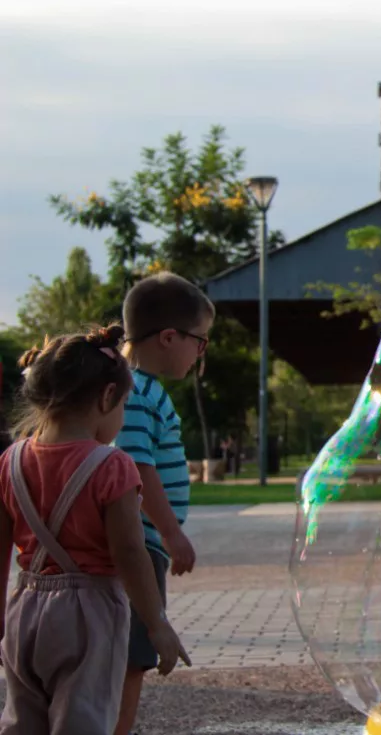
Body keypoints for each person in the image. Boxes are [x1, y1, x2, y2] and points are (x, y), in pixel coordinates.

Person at [0, 327, 189, 735]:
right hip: (88, 616)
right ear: (107, 398)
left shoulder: (10, 461)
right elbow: (130, 552)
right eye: (122, 405)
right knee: (82, 722)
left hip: (23, 609)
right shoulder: (112, 465)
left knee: (22, 722)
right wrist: (157, 623)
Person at [114, 272, 212, 735]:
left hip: (143, 540)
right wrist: (171, 533)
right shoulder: (136, 392)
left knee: (129, 655)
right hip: (140, 543)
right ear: (169, 338)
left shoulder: (137, 388)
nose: (200, 354)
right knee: (132, 658)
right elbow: (136, 467)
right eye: (200, 341)